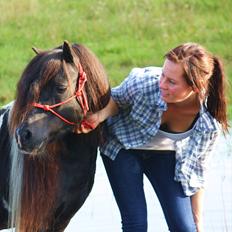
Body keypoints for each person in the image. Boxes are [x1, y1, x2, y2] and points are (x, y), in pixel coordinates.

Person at [78, 42, 229, 232]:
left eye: (171, 82)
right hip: (122, 148)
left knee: (186, 228)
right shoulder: (146, 83)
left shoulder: (208, 122)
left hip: (165, 154)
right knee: (136, 225)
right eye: (163, 75)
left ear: (195, 87)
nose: (162, 84)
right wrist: (100, 116)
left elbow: (197, 171)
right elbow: (116, 100)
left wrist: (197, 221)